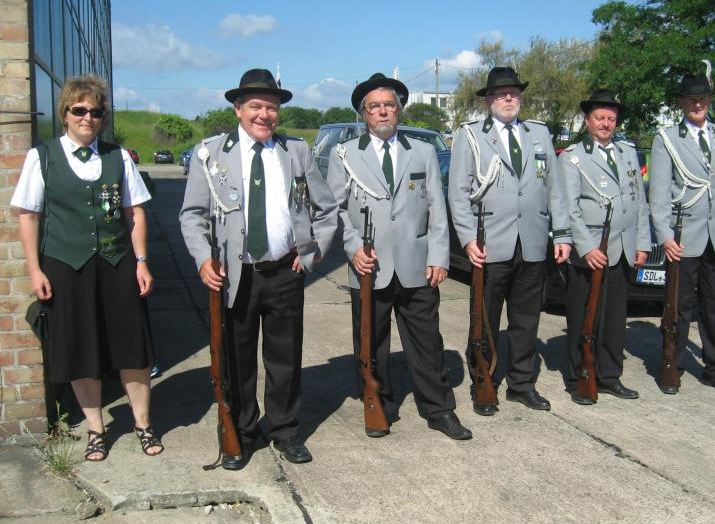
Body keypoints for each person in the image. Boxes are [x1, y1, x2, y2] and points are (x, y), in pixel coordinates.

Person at [180, 69, 338, 468]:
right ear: (238, 109)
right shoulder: (210, 153)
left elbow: (326, 208)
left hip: (286, 271)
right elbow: (192, 214)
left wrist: (313, 251)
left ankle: (285, 430)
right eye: (256, 106)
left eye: (271, 107)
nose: (265, 115)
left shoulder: (296, 151)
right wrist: (203, 259)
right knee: (237, 359)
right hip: (236, 276)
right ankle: (243, 432)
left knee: (285, 358)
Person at [12, 74, 162, 461]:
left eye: (95, 112)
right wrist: (34, 270)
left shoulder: (118, 157)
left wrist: (141, 261)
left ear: (103, 118)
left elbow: (134, 213)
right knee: (81, 347)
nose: (87, 118)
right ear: (65, 113)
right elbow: (29, 216)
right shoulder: (41, 157)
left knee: (132, 345)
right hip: (66, 265)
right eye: (79, 110)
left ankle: (143, 423)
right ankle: (96, 429)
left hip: (117, 261)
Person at [326, 73, 471, 440]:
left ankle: (439, 410)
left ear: (399, 109)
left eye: (389, 104)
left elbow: (437, 209)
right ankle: (379, 405)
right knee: (371, 343)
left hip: (417, 265)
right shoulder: (345, 155)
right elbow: (334, 210)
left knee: (427, 343)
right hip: (369, 266)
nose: (383, 111)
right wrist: (353, 248)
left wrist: (439, 256)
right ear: (364, 113)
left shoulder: (422, 151)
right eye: (374, 106)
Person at [448, 67, 571, 415]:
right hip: (490, 244)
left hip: (532, 241)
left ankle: (522, 384)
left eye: (513, 93)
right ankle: (483, 382)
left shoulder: (538, 133)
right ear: (488, 99)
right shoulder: (472, 136)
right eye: (501, 94)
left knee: (526, 320)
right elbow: (458, 193)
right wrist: (468, 238)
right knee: (484, 319)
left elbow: (555, 189)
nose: (508, 98)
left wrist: (562, 233)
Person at [649, 69, 715, 395]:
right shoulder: (668, 138)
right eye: (692, 99)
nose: (698, 104)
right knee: (678, 307)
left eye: (703, 98)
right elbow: (659, 194)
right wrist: (664, 235)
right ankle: (672, 366)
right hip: (683, 236)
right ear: (682, 102)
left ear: (709, 100)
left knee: (714, 306)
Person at [559, 90, 650, 405]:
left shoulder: (627, 153)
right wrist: (586, 247)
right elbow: (569, 208)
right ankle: (578, 377)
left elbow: (639, 202)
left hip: (622, 248)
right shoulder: (572, 156)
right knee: (583, 317)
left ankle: (610, 376)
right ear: (587, 120)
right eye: (600, 117)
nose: (606, 124)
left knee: (614, 319)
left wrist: (642, 242)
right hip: (592, 251)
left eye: (611, 118)